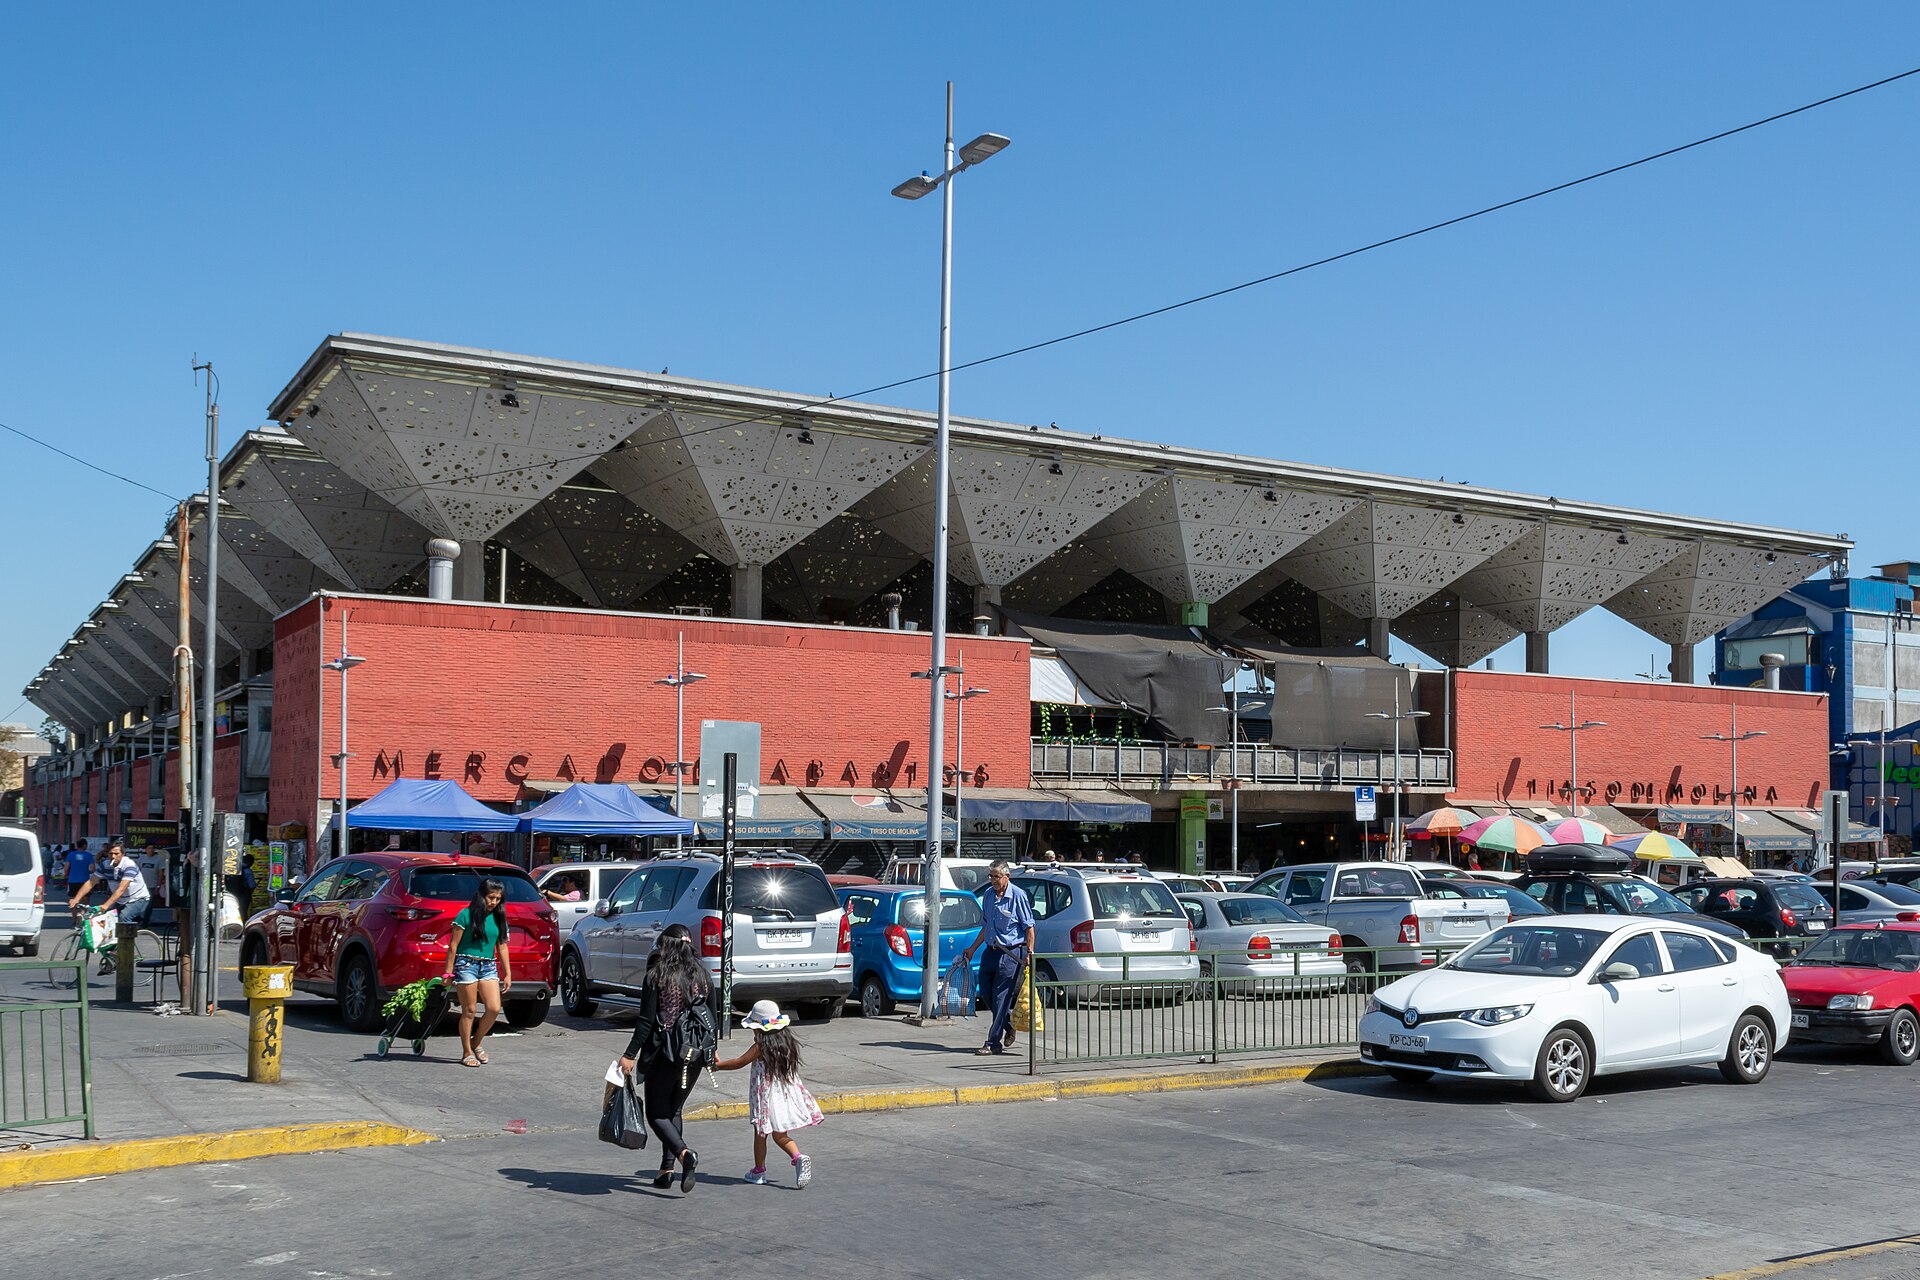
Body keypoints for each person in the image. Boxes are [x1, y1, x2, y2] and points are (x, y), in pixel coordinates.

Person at [618, 928, 713, 1193]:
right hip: (695, 1052)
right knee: (674, 1110)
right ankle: (666, 1170)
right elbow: (712, 1014)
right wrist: (712, 1049)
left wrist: (629, 1054)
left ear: (666, 947)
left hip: (666, 1053)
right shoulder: (703, 974)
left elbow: (646, 1021)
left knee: (656, 1114)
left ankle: (684, 1154)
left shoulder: (657, 976)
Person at [713, 1000, 822, 1188]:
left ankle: (759, 1171)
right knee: (780, 1134)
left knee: (760, 1132)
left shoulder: (761, 1047)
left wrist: (717, 1066)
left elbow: (739, 1062)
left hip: (764, 1096)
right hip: (783, 1094)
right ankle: (798, 1156)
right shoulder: (786, 1043)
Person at [959, 859, 1035, 1057]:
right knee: (985, 993)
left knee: (1001, 999)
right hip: (990, 951)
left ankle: (993, 1043)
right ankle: (1008, 1024)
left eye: (997, 876)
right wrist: (972, 949)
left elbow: (1029, 927)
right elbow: (986, 926)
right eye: (991, 876)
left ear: (1007, 876)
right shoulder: (988, 895)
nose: (993, 880)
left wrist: (1029, 952)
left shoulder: (1018, 895)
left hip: (1010, 954)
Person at [442, 878, 512, 1068]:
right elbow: (453, 946)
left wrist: (508, 973)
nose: (494, 902)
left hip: (488, 965)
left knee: (494, 1008)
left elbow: (502, 947)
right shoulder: (465, 915)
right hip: (466, 964)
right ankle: (466, 1052)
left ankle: (476, 1042)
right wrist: (448, 973)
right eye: (491, 897)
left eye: (498, 899)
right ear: (481, 895)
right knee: (470, 1010)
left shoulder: (499, 918)